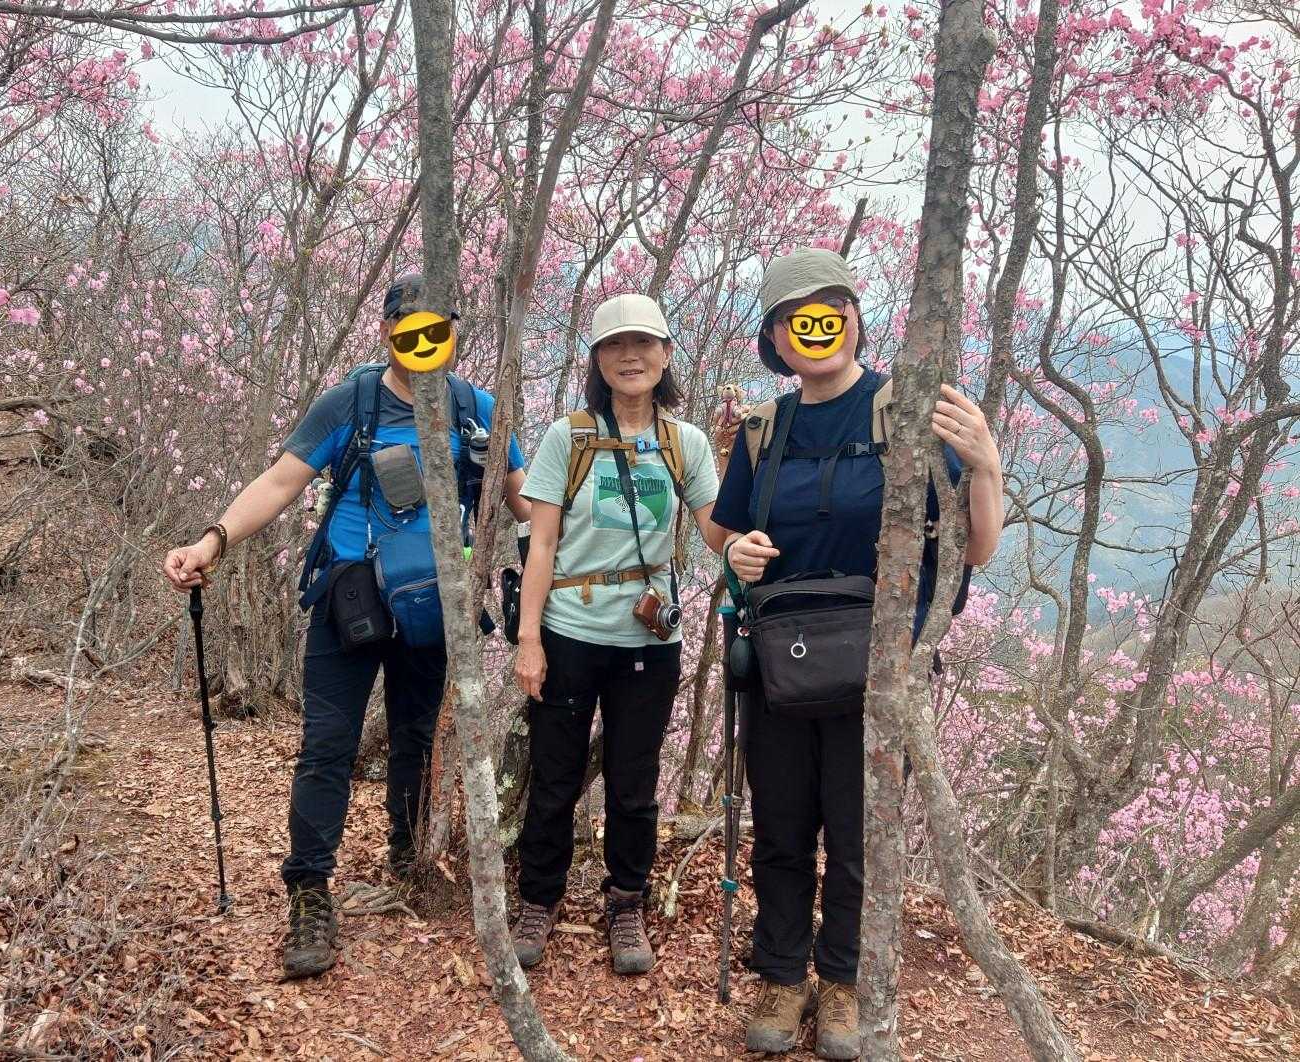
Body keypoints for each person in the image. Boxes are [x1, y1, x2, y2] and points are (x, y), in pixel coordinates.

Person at [161, 275, 531, 980]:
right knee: (328, 743)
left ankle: (409, 857)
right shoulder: (350, 404)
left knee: (417, 740)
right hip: (350, 598)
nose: (422, 339)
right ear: (386, 330)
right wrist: (213, 541)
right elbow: (280, 482)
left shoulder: (477, 411)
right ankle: (309, 890)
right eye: (408, 326)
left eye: (437, 326)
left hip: (435, 604)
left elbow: (523, 503)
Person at [711, 249, 1004, 1058]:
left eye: (830, 310)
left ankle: (841, 980)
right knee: (781, 826)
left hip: (880, 668)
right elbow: (726, 530)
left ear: (854, 319)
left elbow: (975, 549)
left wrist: (985, 463)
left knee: (858, 832)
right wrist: (735, 552)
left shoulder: (906, 413)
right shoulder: (764, 430)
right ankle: (782, 975)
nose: (815, 327)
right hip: (780, 664)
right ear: (775, 337)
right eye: (795, 317)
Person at [508, 293, 724, 975]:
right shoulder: (568, 438)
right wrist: (528, 639)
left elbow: (715, 531)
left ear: (665, 354)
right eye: (615, 345)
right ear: (598, 360)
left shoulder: (685, 443)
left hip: (648, 641)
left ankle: (627, 900)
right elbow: (541, 545)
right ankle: (537, 898)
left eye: (643, 343)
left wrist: (746, 474)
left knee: (635, 782)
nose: (630, 357)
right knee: (555, 776)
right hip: (569, 631)